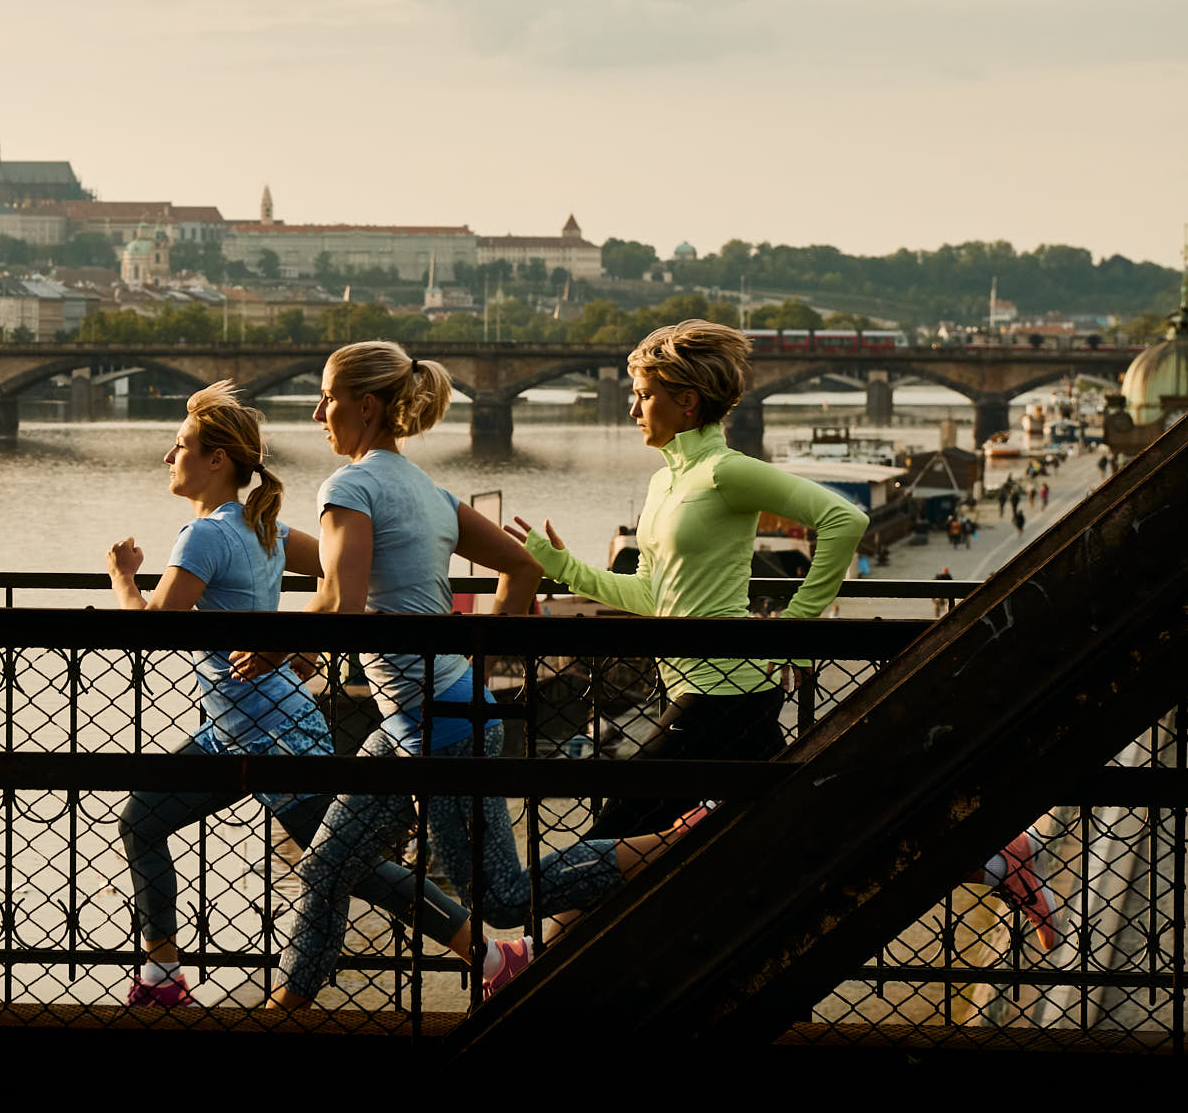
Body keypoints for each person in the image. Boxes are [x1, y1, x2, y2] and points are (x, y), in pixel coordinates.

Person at [511, 320, 1061, 952]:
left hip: (721, 693)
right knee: (818, 818)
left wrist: (796, 632)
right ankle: (993, 855)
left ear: (686, 401)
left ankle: (527, 960)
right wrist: (565, 569)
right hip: (701, 688)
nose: (631, 408)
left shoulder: (725, 471)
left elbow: (844, 518)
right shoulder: (665, 482)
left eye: (643, 394)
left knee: (616, 828)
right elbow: (649, 596)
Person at [235, 341, 662, 1009]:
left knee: (503, 897)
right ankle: (284, 1011)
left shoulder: (348, 486)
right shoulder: (428, 490)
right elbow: (523, 567)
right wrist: (480, 667)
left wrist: (280, 645)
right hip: (428, 720)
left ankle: (667, 845)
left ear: (367, 405)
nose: (319, 410)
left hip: (442, 730)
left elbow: (340, 605)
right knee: (325, 866)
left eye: (329, 397)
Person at [104, 381, 477, 1007]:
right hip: (238, 731)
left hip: (275, 735)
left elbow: (152, 632)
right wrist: (304, 647)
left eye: (180, 446)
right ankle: (162, 979)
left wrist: (121, 578)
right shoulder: (263, 526)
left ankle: (486, 948)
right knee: (142, 818)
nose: (170, 458)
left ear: (216, 459)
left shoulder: (204, 537)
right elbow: (338, 574)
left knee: (349, 864)